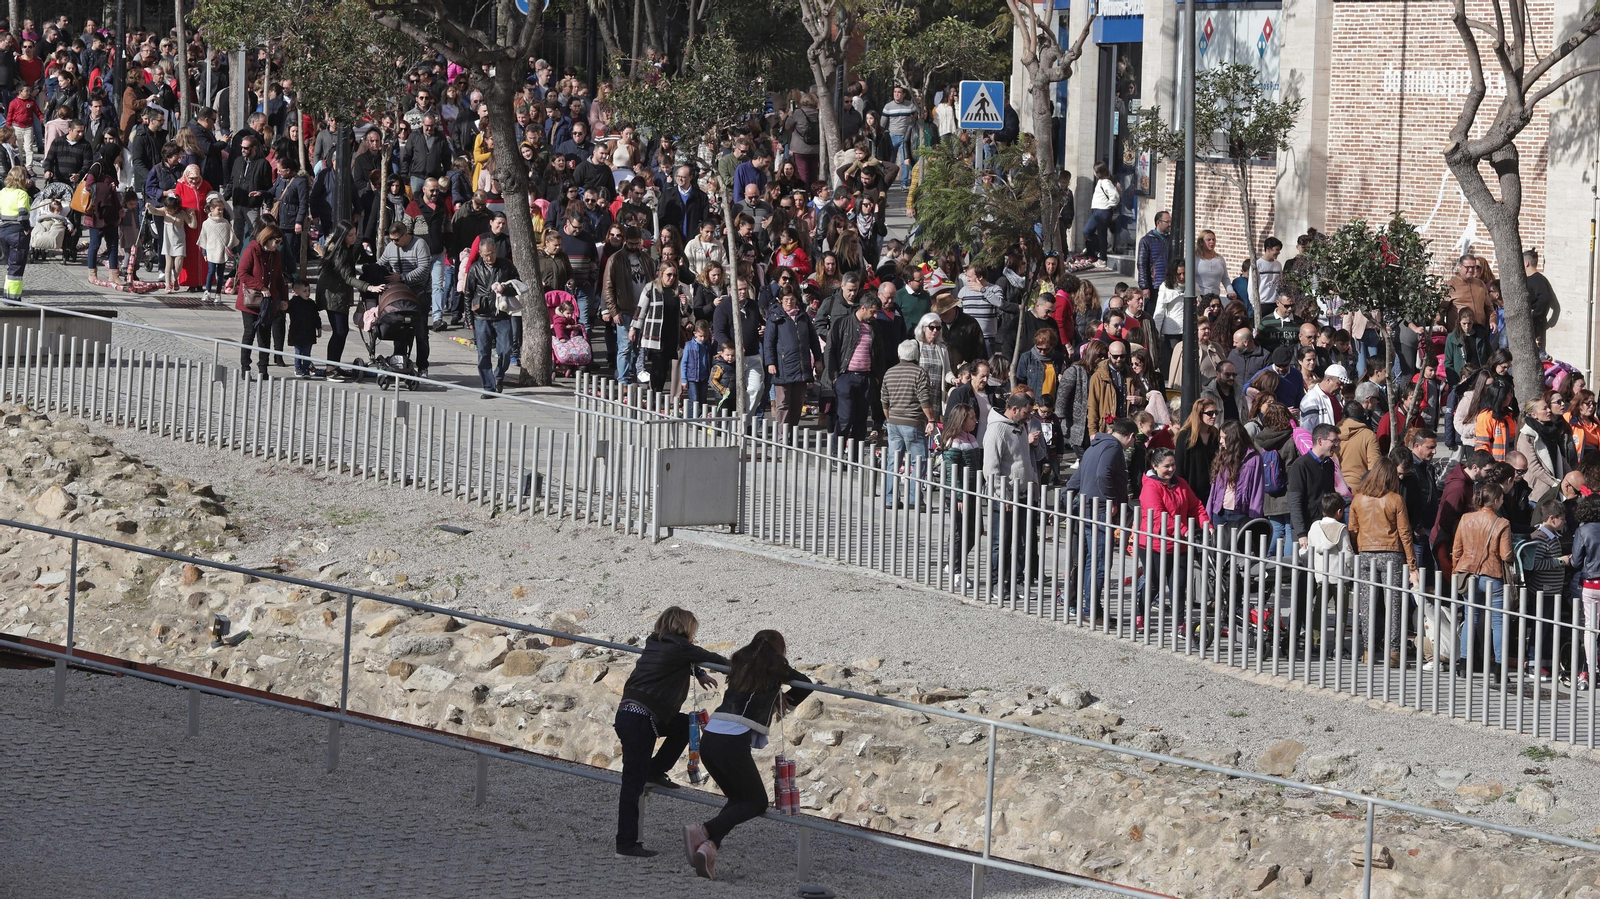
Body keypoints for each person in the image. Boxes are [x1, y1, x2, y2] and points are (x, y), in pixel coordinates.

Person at [685, 629, 813, 880]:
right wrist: (788, 698)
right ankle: (701, 831)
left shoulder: (741, 659)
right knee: (757, 803)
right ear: (779, 649)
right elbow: (806, 683)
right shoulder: (776, 664)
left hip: (711, 735)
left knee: (738, 799)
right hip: (732, 741)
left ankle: (709, 848)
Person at [614, 607, 726, 859]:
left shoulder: (655, 643)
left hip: (632, 715)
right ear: (685, 628)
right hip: (641, 720)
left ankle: (655, 771)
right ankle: (626, 844)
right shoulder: (680, 648)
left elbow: (679, 660)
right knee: (632, 784)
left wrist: (697, 672)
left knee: (685, 725)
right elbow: (716, 658)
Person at [1347, 456, 1419, 667]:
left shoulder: (1358, 499)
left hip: (1366, 554)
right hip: (1392, 554)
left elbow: (1353, 530)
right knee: (1393, 605)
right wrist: (1412, 564)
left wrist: (1358, 550)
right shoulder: (1395, 499)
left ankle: (1368, 651)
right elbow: (1405, 533)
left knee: (1367, 605)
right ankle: (1394, 653)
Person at [983, 392, 1042, 600]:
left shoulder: (1020, 426)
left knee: (1018, 542)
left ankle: (1013, 582)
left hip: (1023, 493)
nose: (1029, 417)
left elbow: (1024, 458)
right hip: (1006, 497)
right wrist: (1002, 495)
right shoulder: (997, 429)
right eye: (1026, 413)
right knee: (1001, 542)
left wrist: (1032, 478)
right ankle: (996, 583)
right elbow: (991, 467)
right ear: (1014, 409)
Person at [1453, 480, 1513, 681]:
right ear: (1496, 500)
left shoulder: (1466, 518)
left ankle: (1464, 664)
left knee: (1471, 617)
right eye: (1502, 498)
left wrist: (1456, 570)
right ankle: (1499, 670)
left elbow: (1457, 550)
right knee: (1498, 621)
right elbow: (1505, 555)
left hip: (1468, 574)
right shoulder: (1502, 523)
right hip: (1492, 575)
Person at [824, 294, 889, 442]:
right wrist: (835, 377)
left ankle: (855, 457)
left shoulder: (875, 328)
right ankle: (837, 454)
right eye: (872, 311)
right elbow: (830, 350)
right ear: (863, 308)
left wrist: (877, 377)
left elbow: (879, 353)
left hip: (866, 377)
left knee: (860, 421)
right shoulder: (842, 323)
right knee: (845, 418)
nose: (875, 315)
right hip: (845, 376)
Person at [315, 221, 375, 378]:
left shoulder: (345, 248)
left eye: (355, 234)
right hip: (333, 296)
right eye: (350, 235)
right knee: (340, 331)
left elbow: (348, 272)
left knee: (341, 331)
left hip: (338, 294)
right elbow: (347, 277)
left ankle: (334, 365)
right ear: (342, 235)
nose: (354, 238)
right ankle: (330, 369)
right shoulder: (338, 250)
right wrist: (367, 287)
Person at [378, 221, 435, 378]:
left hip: (419, 293)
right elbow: (381, 263)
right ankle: (400, 363)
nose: (394, 243)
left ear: (405, 234)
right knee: (399, 328)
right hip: (400, 295)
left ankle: (423, 366)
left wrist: (401, 278)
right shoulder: (390, 247)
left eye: (397, 239)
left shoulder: (419, 245)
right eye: (392, 239)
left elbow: (423, 270)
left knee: (421, 331)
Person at [463, 238, 518, 395]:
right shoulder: (475, 269)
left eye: (492, 254)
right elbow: (468, 295)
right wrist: (468, 319)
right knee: (483, 353)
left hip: (502, 314)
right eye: (486, 255)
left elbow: (517, 285)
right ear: (480, 254)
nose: (490, 257)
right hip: (481, 316)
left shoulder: (506, 265)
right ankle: (488, 387)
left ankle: (499, 375)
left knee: (506, 350)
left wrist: (504, 289)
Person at [763, 288, 822, 428]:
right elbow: (769, 342)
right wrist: (770, 362)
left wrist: (818, 359)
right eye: (786, 299)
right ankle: (781, 437)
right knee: (783, 403)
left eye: (792, 299)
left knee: (797, 402)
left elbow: (813, 339)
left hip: (801, 366)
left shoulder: (803, 316)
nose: (789, 302)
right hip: (782, 366)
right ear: (780, 300)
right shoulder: (775, 317)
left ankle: (792, 434)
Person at [234, 224, 288, 379]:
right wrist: (261, 287)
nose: (279, 245)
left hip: (267, 302)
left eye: (280, 242)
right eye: (277, 241)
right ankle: (245, 368)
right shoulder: (252, 250)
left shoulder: (275, 255)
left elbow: (279, 278)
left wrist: (284, 298)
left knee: (264, 335)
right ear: (267, 238)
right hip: (250, 300)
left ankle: (263, 370)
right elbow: (242, 274)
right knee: (249, 333)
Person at [1289, 423, 1340, 547]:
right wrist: (1301, 534)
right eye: (1333, 441)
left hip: (1324, 527)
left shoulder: (1329, 464)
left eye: (1337, 441)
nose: (1336, 445)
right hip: (1307, 529)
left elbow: (1330, 494)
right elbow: (1295, 502)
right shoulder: (1300, 466)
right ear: (1320, 441)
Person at [1518, 393, 1575, 502]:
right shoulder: (1526, 435)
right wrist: (1554, 482)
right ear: (1534, 415)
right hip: (1538, 493)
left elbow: (1560, 459)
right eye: (1544, 409)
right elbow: (1533, 466)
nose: (1549, 410)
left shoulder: (1550, 430)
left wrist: (1572, 477)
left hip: (1555, 490)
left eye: (1548, 407)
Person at [1207, 420, 1263, 528]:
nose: (1221, 441)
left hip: (1241, 513)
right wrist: (1209, 512)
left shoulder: (1254, 458)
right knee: (1218, 544)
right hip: (1219, 512)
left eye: (1224, 437)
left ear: (1233, 438)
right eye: (1221, 437)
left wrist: (1254, 519)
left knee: (1237, 544)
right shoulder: (1222, 456)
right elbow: (1214, 487)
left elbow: (1257, 490)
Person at [1174, 398, 1220, 504]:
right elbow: (1179, 465)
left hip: (1211, 491)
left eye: (1215, 412)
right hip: (1191, 490)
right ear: (1199, 414)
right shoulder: (1185, 435)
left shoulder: (1215, 434)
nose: (1214, 416)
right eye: (1210, 413)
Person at [0, 165, 29, 299]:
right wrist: (27, 228)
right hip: (17, 233)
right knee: (16, 266)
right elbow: (23, 214)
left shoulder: (3, 192)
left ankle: (7, 294)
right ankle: (13, 298)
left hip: (3, 232)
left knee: (10, 265)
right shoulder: (22, 194)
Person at [1081, 162, 1119, 263]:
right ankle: (1102, 250)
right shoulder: (1101, 181)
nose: (1093, 172)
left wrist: (1111, 205)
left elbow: (1115, 195)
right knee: (1090, 232)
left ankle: (1103, 258)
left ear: (1099, 172)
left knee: (1096, 233)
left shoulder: (1105, 182)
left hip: (1102, 210)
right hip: (1098, 210)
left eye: (1095, 171)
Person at [1337, 401, 1380, 487]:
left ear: (1344, 415)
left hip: (1336, 487)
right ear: (1363, 416)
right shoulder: (1369, 435)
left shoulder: (1332, 434)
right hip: (1359, 489)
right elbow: (1374, 468)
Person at [1136, 210, 1171, 303]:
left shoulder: (1171, 240)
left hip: (1169, 285)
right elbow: (1142, 264)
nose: (1169, 224)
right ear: (1158, 223)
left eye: (1170, 221)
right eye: (1167, 222)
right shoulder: (1146, 240)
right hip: (1154, 285)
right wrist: (1145, 287)